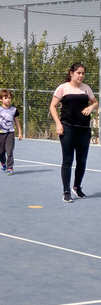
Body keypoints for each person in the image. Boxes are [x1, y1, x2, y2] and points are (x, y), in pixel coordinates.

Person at [50, 62, 98, 203]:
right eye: (79, 73)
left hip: (84, 129)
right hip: (68, 128)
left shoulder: (86, 89)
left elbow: (95, 102)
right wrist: (58, 124)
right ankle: (66, 191)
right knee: (68, 160)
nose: (81, 76)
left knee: (82, 161)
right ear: (72, 73)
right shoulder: (63, 88)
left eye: (83, 73)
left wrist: (91, 107)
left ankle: (77, 187)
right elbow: (52, 106)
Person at [0, 89, 23, 175]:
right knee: (0, 152)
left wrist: (20, 132)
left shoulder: (14, 110)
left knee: (9, 151)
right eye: (6, 98)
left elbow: (17, 122)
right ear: (1, 99)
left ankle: (10, 167)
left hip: (10, 133)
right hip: (0, 133)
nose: (8, 100)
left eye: (9, 98)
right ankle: (2, 162)